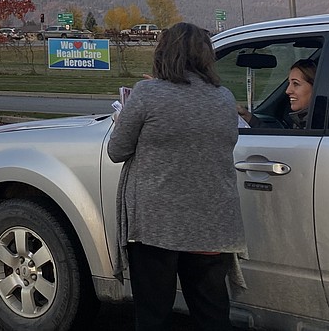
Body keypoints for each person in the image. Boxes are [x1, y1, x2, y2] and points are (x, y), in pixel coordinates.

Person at [107, 22, 246, 331]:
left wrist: (127, 113)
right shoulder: (224, 98)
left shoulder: (147, 94)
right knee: (212, 316)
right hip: (213, 225)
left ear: (163, 53)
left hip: (157, 227)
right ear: (206, 56)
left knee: (153, 316)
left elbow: (116, 151)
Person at [238, 59, 316, 128]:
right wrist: (249, 118)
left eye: (296, 84)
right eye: (289, 83)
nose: (288, 91)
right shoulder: (307, 122)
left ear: (316, 87)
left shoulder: (318, 125)